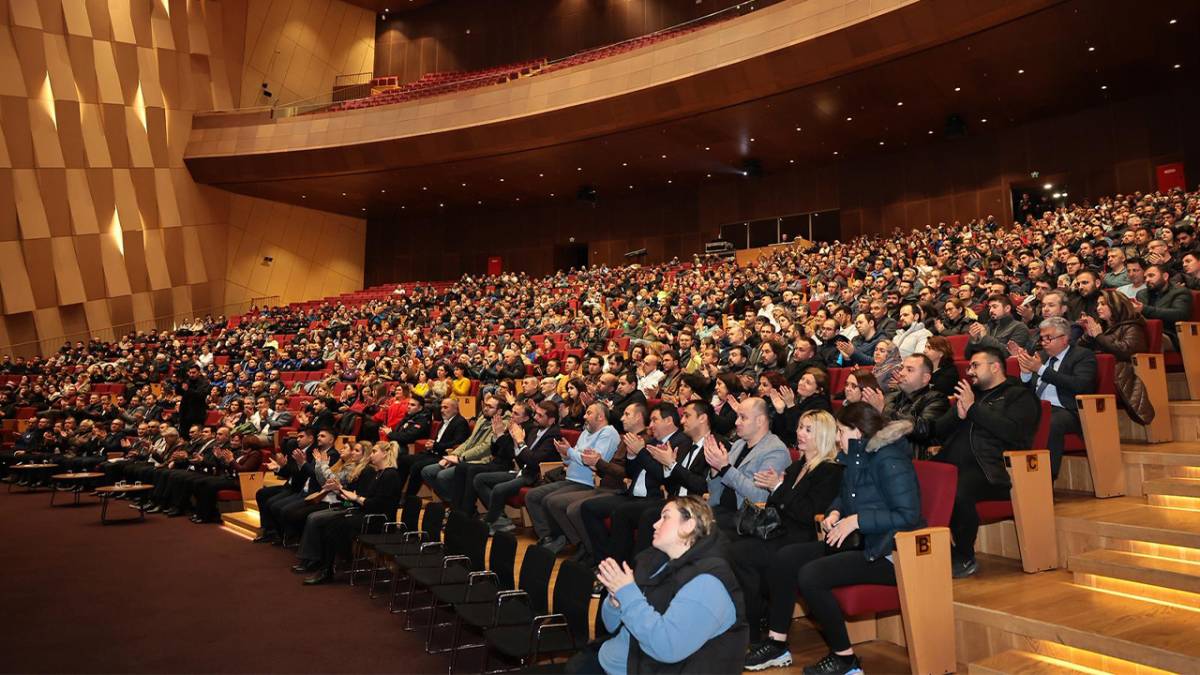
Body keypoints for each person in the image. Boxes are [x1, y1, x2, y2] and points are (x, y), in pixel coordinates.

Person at [755, 403, 921, 674]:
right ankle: (777, 643)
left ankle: (845, 659)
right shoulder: (855, 457)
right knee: (786, 558)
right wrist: (835, 511)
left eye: (841, 431)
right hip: (861, 542)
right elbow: (846, 496)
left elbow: (909, 515)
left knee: (811, 575)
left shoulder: (889, 460)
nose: (836, 438)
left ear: (857, 432)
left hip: (890, 552)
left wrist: (857, 520)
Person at [585, 496, 749, 675]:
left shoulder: (707, 584)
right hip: (612, 659)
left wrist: (628, 595)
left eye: (665, 517)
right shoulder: (654, 561)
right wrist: (615, 603)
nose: (655, 524)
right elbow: (611, 625)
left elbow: (667, 647)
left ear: (688, 525)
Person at [736, 410, 843, 663]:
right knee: (737, 550)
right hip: (782, 531)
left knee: (744, 554)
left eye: (808, 429)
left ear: (824, 435)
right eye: (799, 428)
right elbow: (779, 505)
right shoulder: (798, 466)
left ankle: (758, 633)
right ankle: (751, 627)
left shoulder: (831, 470)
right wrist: (778, 489)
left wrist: (778, 487)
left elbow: (808, 513)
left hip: (804, 538)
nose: (799, 433)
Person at [932, 345, 1040, 578]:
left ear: (995, 367)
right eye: (969, 365)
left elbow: (1014, 433)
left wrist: (973, 409)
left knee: (956, 490)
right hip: (951, 465)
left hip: (992, 470)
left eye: (975, 365)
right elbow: (938, 433)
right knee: (913, 483)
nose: (969, 371)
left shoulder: (1019, 395)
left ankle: (964, 556)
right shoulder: (971, 395)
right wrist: (958, 416)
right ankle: (939, 554)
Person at [525, 402, 620, 552]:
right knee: (533, 495)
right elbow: (573, 459)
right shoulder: (585, 432)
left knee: (551, 501)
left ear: (601, 417)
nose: (584, 416)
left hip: (587, 482)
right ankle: (550, 537)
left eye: (588, 413)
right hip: (570, 478)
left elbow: (592, 461)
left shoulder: (608, 433)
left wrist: (569, 452)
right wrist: (565, 455)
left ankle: (575, 542)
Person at [303, 441, 401, 585]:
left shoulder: (390, 475)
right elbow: (365, 500)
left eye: (374, 452)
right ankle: (329, 566)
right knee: (330, 524)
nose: (371, 455)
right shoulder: (379, 473)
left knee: (332, 526)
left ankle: (328, 569)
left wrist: (354, 496)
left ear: (385, 454)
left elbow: (376, 505)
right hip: (367, 514)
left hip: (379, 521)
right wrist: (344, 493)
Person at [1012, 316, 1098, 479]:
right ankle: (1016, 478)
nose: (1043, 342)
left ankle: (1046, 479)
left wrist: (1041, 370)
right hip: (1039, 408)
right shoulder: (1042, 357)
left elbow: (1080, 385)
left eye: (1048, 338)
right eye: (1042, 338)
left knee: (1050, 423)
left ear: (1065, 339)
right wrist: (1025, 374)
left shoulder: (1082, 356)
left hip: (1069, 410)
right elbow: (1025, 393)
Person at [473, 400, 562, 533]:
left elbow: (534, 461)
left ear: (551, 420)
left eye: (540, 416)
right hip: (522, 470)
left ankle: (490, 522)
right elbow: (520, 458)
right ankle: (500, 519)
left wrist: (519, 442)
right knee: (479, 479)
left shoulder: (554, 436)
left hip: (535, 475)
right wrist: (514, 442)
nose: (535, 418)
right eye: (536, 414)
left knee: (499, 488)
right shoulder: (534, 430)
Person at [704, 398, 791, 530]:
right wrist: (715, 470)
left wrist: (725, 468)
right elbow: (716, 493)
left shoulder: (776, 450)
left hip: (745, 519)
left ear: (760, 421)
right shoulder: (739, 444)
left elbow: (760, 498)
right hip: (720, 511)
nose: (736, 422)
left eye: (742, 417)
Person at [1078, 289, 1156, 425]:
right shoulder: (1101, 327)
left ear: (1116, 305)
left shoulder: (1132, 326)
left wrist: (1099, 337)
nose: (1098, 308)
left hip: (1121, 373)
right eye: (1097, 304)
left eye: (1103, 304)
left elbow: (1126, 352)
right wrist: (1088, 336)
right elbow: (1078, 351)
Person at [862, 354, 949, 459]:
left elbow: (923, 429)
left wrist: (883, 410)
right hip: (880, 455)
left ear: (925, 378)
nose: (901, 373)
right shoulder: (890, 397)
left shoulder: (937, 399)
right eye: (902, 368)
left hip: (911, 461)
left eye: (909, 370)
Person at [1134, 263, 1193, 350]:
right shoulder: (1142, 294)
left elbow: (1180, 314)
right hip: (1144, 330)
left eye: (1151, 276)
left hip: (1170, 334)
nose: (1147, 280)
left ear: (1165, 276)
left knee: (1148, 338)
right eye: (1145, 277)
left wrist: (1144, 309)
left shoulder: (1180, 292)